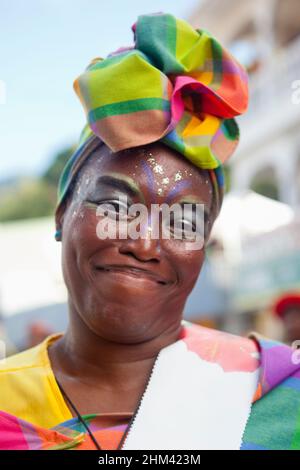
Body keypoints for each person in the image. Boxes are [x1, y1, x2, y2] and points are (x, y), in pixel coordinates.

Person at [0, 12, 299, 451]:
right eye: (116, 206)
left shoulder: (281, 396)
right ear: (63, 213)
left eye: (183, 222)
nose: (143, 244)